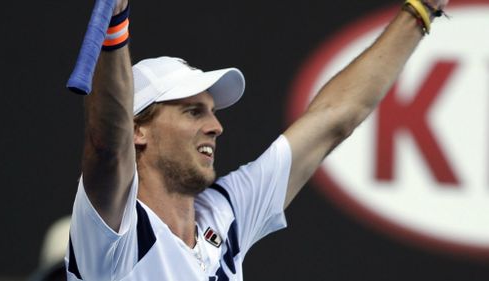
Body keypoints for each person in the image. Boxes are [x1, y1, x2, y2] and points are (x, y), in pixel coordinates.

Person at [66, 0, 449, 280]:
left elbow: (335, 118)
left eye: (212, 111)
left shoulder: (226, 213)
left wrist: (421, 9)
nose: (216, 126)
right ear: (137, 130)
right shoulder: (113, 232)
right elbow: (106, 147)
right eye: (192, 111)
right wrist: (115, 28)